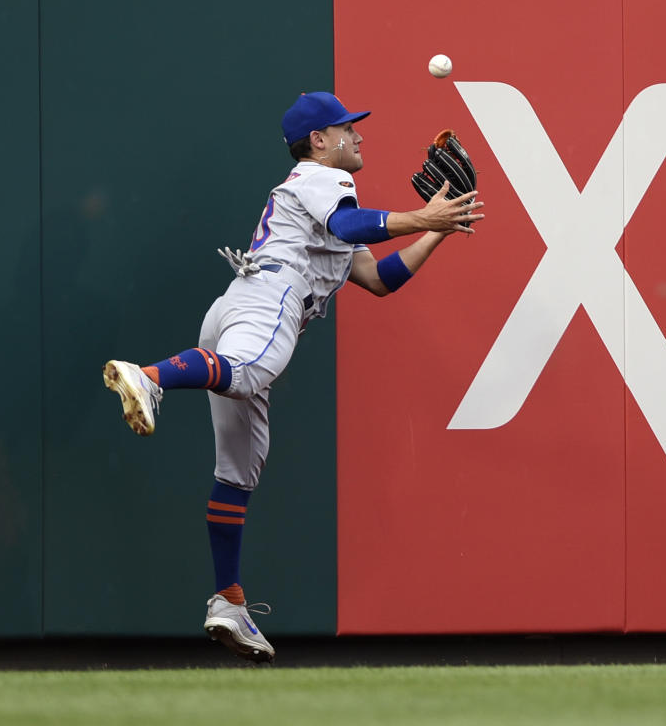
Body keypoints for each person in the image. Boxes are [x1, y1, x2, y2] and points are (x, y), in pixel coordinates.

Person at [102, 91, 485, 663]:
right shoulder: (318, 178)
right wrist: (419, 215)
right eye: (347, 129)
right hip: (272, 298)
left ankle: (228, 600)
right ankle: (151, 377)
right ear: (319, 142)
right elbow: (352, 219)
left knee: (239, 466)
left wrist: (436, 230)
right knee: (250, 373)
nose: (358, 136)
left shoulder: (317, 199)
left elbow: (379, 279)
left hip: (237, 305)